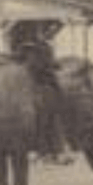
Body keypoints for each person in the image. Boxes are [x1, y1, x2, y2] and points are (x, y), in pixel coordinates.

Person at [13, 23, 72, 164]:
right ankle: (46, 152)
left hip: (44, 86)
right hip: (42, 86)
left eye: (52, 32)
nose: (51, 34)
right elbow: (36, 66)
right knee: (45, 120)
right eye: (49, 31)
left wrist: (54, 66)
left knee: (50, 120)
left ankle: (53, 152)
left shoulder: (40, 47)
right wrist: (52, 67)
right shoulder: (37, 48)